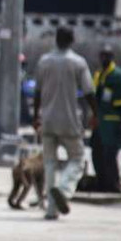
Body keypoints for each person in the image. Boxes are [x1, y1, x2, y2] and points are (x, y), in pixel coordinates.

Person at [33, 26, 98, 219]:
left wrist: (35, 116)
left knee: (50, 163)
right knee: (77, 159)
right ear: (72, 41)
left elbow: (37, 91)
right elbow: (88, 92)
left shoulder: (44, 61)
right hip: (69, 120)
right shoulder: (78, 62)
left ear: (56, 40)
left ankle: (51, 209)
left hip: (48, 119)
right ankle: (64, 189)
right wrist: (96, 113)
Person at [91, 45, 121, 193]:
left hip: (112, 122)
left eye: (107, 56)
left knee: (110, 155)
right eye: (102, 56)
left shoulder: (118, 76)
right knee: (97, 153)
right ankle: (101, 183)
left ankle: (113, 185)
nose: (104, 59)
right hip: (99, 122)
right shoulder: (98, 75)